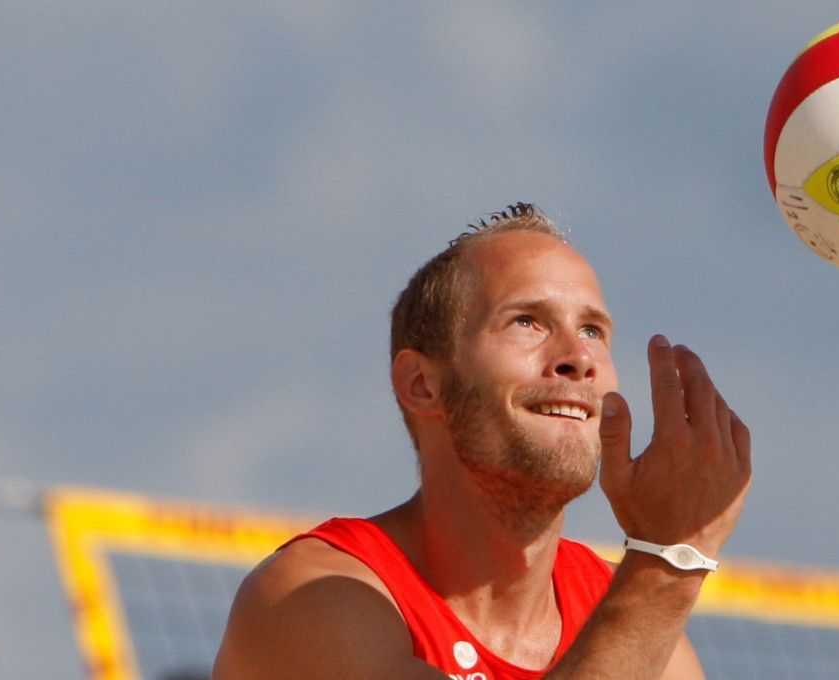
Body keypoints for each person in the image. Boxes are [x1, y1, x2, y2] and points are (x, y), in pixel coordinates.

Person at [213, 203, 752, 679]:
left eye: (593, 330)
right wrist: (668, 560)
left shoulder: (650, 634)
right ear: (423, 385)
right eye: (527, 321)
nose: (579, 357)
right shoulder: (312, 599)